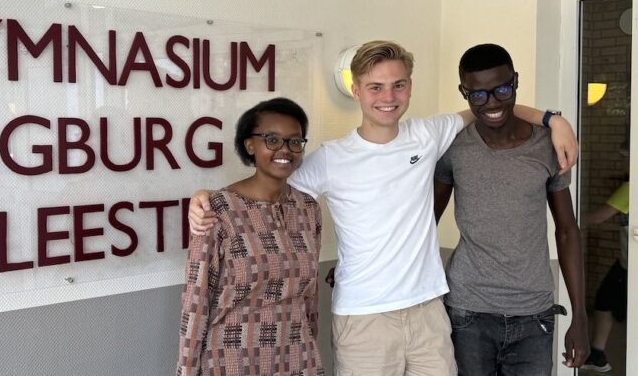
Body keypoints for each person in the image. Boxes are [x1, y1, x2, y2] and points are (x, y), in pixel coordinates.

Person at [188, 40, 579, 375]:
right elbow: (267, 185)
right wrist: (207, 197)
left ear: (409, 88)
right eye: (375, 87)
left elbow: (491, 106)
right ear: (356, 90)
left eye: (397, 85)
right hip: (364, 319)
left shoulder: (428, 135)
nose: (387, 97)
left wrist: (553, 119)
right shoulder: (331, 159)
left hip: (430, 314)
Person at [433, 43, 589, 374]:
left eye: (502, 89)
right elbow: (424, 222)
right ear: (464, 92)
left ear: (515, 81)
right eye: (478, 95)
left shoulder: (548, 145)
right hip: (468, 313)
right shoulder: (453, 148)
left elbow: (566, 230)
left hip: (534, 315)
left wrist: (580, 315)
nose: (492, 103)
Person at [177, 97, 324, 375]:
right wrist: (186, 370)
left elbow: (310, 299)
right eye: (272, 139)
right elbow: (196, 302)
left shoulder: (308, 209)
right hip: (233, 359)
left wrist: (312, 351)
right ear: (250, 145)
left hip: (297, 357)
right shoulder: (217, 209)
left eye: (295, 141)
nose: (285, 149)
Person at [581, 146, 629, 373]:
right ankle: (597, 354)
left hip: (630, 265)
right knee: (605, 302)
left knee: (604, 302)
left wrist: (572, 221)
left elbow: (600, 217)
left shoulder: (630, 188)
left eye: (626, 158)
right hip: (626, 263)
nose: (623, 162)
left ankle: (598, 355)